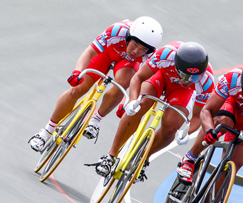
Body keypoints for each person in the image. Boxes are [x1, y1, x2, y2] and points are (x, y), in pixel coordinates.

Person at [29, 17, 163, 151]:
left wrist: (129, 102)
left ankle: (96, 120)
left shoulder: (152, 56)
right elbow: (90, 52)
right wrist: (77, 72)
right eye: (135, 44)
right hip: (107, 53)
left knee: (122, 83)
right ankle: (46, 132)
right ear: (129, 37)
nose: (136, 52)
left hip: (127, 64)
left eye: (143, 49)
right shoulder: (117, 31)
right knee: (77, 90)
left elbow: (141, 81)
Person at [94, 41, 215, 177]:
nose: (187, 80)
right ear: (176, 65)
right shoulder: (166, 54)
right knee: (141, 104)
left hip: (181, 92)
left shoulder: (207, 81)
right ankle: (111, 155)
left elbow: (198, 116)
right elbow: (138, 77)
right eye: (184, 75)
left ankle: (144, 158)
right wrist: (133, 100)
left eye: (194, 77)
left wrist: (186, 132)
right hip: (161, 76)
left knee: (171, 128)